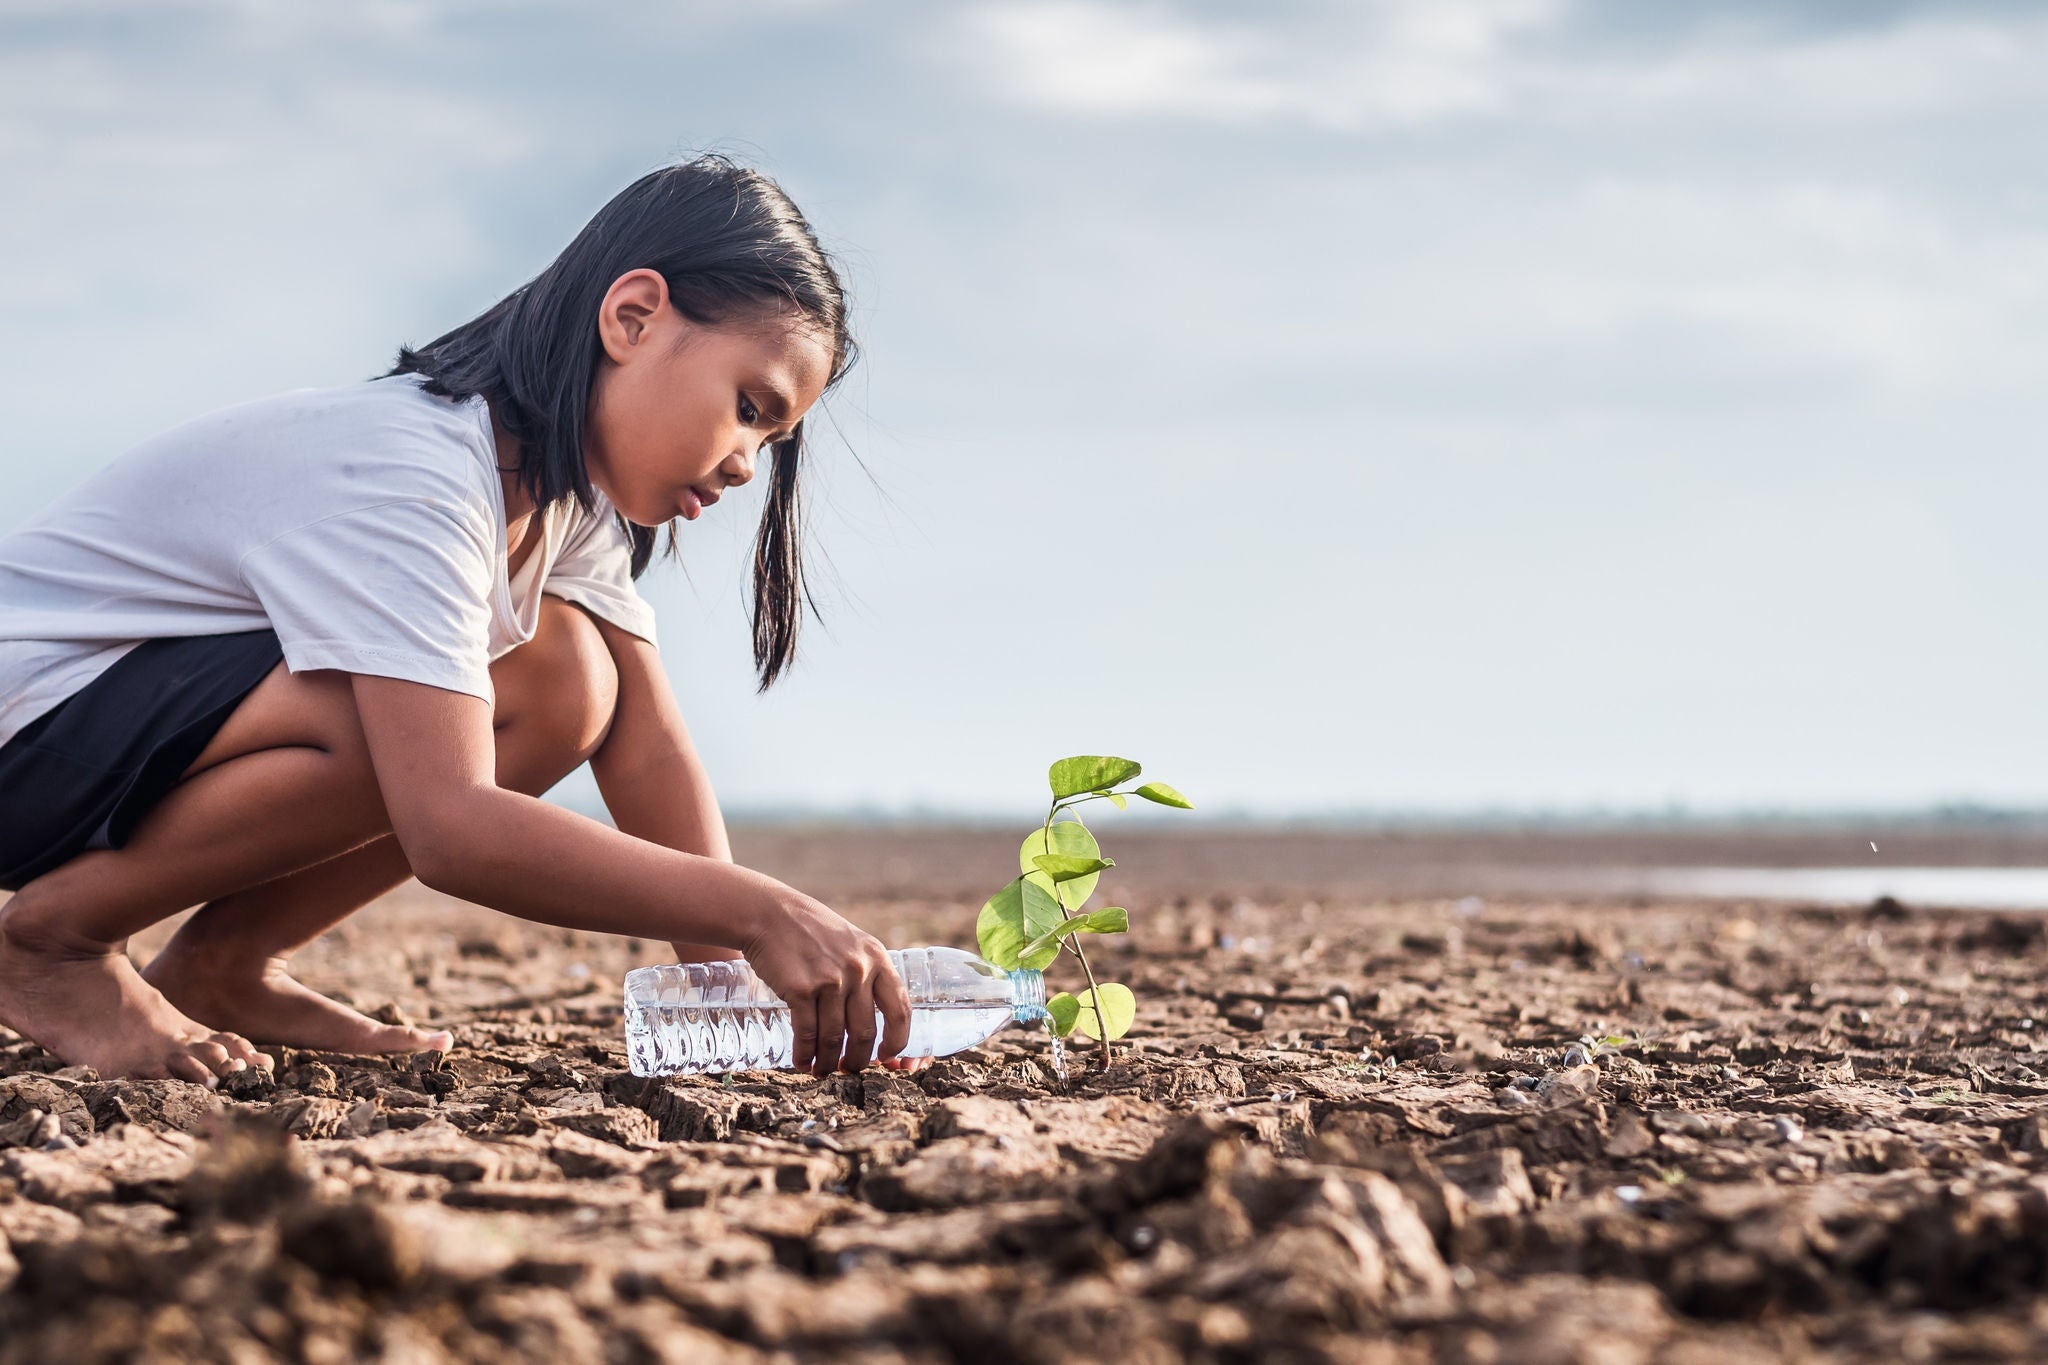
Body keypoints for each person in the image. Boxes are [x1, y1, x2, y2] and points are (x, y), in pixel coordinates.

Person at [0, 156, 913, 1086]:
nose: (747, 466)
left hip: (96, 743)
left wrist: (729, 995)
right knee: (395, 718)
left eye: (771, 438)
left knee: (568, 679)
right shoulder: (420, 473)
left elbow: (648, 749)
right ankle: (54, 943)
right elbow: (450, 824)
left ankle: (220, 966)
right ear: (632, 317)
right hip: (28, 729)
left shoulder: (565, 500)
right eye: (749, 407)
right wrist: (762, 912)